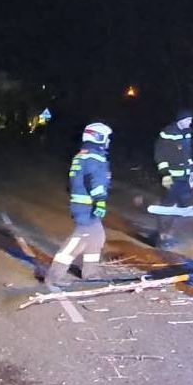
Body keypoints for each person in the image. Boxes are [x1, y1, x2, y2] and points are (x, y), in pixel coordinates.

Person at [44, 122, 113, 289]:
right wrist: (100, 201)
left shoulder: (83, 155)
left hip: (83, 204)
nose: (108, 141)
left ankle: (91, 274)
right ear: (98, 137)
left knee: (96, 238)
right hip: (87, 206)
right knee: (78, 240)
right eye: (107, 138)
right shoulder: (94, 157)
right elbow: (96, 182)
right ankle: (54, 275)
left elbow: (73, 182)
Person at [153, 109, 193, 249]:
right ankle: (162, 236)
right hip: (171, 177)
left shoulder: (187, 133)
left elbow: (187, 154)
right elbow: (160, 154)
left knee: (184, 207)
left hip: (184, 176)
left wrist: (192, 171)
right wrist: (165, 174)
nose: (190, 122)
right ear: (181, 120)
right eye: (188, 120)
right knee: (168, 206)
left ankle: (171, 234)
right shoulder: (168, 133)